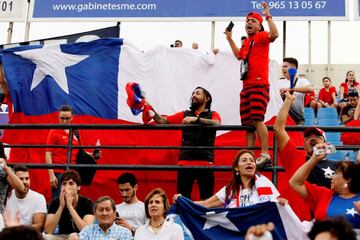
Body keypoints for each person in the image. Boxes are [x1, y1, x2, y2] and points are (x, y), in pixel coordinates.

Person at [225, 2, 278, 167]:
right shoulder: (247, 42)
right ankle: (249, 158)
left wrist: (267, 15)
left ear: (260, 25)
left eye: (253, 21)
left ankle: (265, 154)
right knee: (248, 125)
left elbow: (275, 35)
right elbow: (238, 55)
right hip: (246, 86)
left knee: (257, 119)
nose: (249, 23)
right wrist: (229, 38)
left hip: (259, 84)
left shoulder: (262, 37)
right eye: (247, 21)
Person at [147, 86, 221, 200]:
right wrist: (149, 107)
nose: (193, 96)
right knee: (183, 198)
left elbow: (217, 124)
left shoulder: (213, 114)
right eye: (193, 94)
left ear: (206, 98)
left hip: (205, 161)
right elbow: (163, 121)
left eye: (197, 93)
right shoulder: (185, 114)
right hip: (185, 161)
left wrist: (196, 120)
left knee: (206, 198)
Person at [274, 90, 337, 220]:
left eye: (317, 137)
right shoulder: (295, 157)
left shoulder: (338, 166)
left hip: (327, 222)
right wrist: (288, 101)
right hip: (299, 222)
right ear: (304, 144)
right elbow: (278, 129)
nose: (312, 139)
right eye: (308, 137)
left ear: (325, 143)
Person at [289, 147, 360, 229]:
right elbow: (295, 183)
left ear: (348, 180)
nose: (331, 177)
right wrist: (314, 159)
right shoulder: (323, 194)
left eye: (336, 173)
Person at [191, 150, 280, 208]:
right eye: (244, 160)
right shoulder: (230, 189)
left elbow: (275, 205)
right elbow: (206, 204)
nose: (249, 162)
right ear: (237, 167)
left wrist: (281, 203)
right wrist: (182, 201)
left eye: (252, 161)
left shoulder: (265, 183)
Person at [44, 171, 94, 240]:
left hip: (80, 236)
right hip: (62, 236)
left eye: (71, 183)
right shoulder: (55, 202)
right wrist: (61, 207)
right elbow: (48, 231)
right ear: (61, 187)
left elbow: (86, 231)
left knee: (73, 236)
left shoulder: (87, 203)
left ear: (78, 187)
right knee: (46, 237)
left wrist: (70, 206)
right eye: (64, 184)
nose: (67, 187)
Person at [45, 105, 79, 199]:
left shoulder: (75, 131)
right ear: (58, 117)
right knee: (59, 200)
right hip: (59, 171)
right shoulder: (54, 131)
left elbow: (79, 151)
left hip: (74, 172)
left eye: (67, 118)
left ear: (72, 117)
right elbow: (48, 153)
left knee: (73, 200)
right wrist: (51, 175)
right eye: (62, 118)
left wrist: (92, 155)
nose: (64, 121)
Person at [5, 165, 47, 232]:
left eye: (27, 178)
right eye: (20, 179)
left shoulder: (39, 198)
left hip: (32, 236)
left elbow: (39, 226)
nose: (25, 182)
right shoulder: (6, 197)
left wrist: (17, 230)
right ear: (13, 180)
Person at [278, 57, 313, 125]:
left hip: (298, 118)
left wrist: (292, 89)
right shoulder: (279, 82)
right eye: (282, 67)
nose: (283, 69)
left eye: (285, 66)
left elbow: (309, 89)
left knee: (299, 135)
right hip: (283, 118)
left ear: (293, 69)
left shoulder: (302, 81)